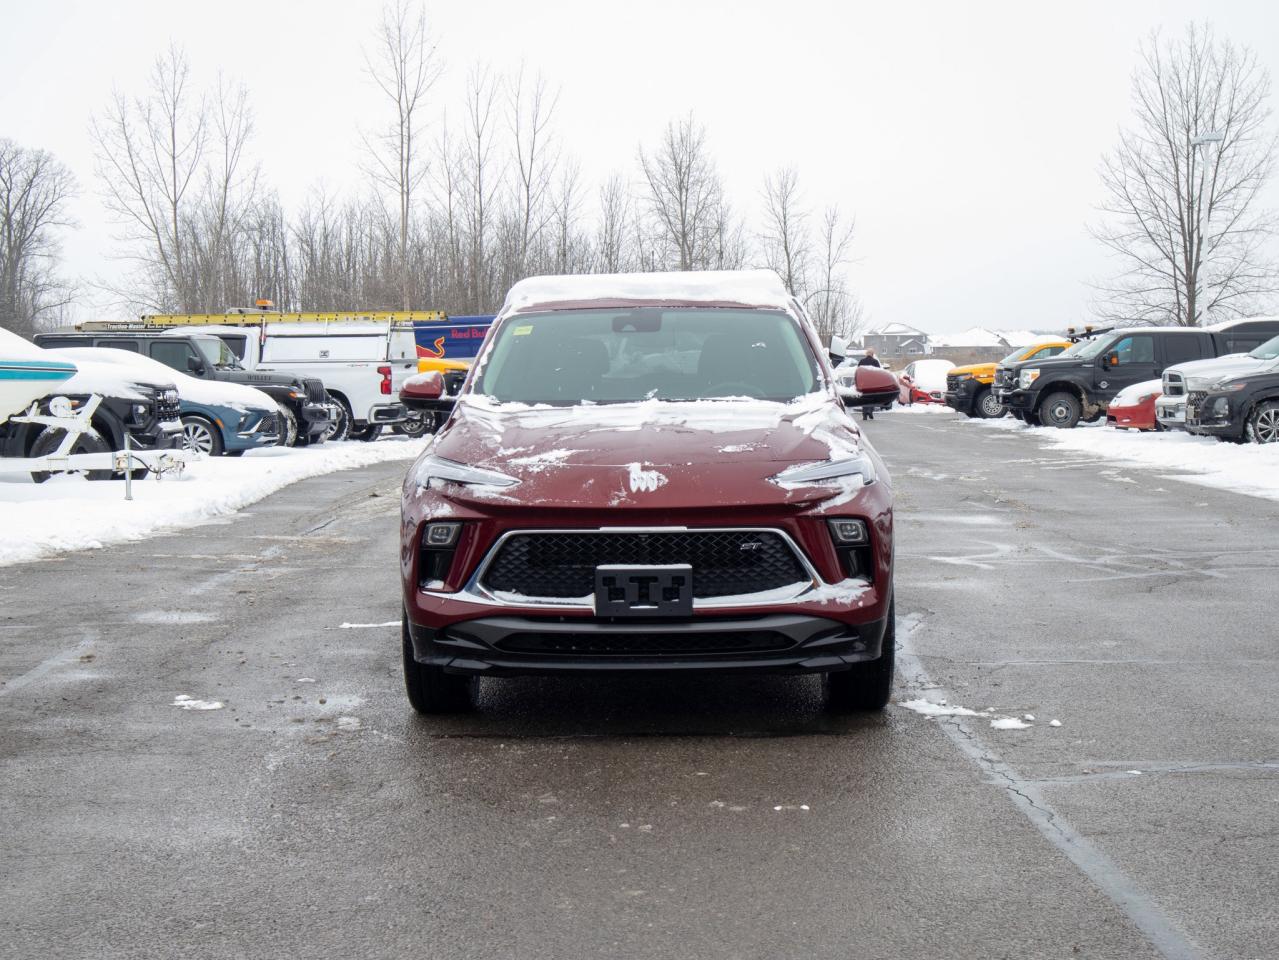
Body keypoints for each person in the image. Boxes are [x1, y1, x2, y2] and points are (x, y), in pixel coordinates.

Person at [856, 348, 882, 420]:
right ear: (872, 354)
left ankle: (864, 414)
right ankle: (870, 411)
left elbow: (858, 371)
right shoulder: (875, 362)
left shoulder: (861, 361)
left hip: (864, 382)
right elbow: (879, 372)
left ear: (866, 354)